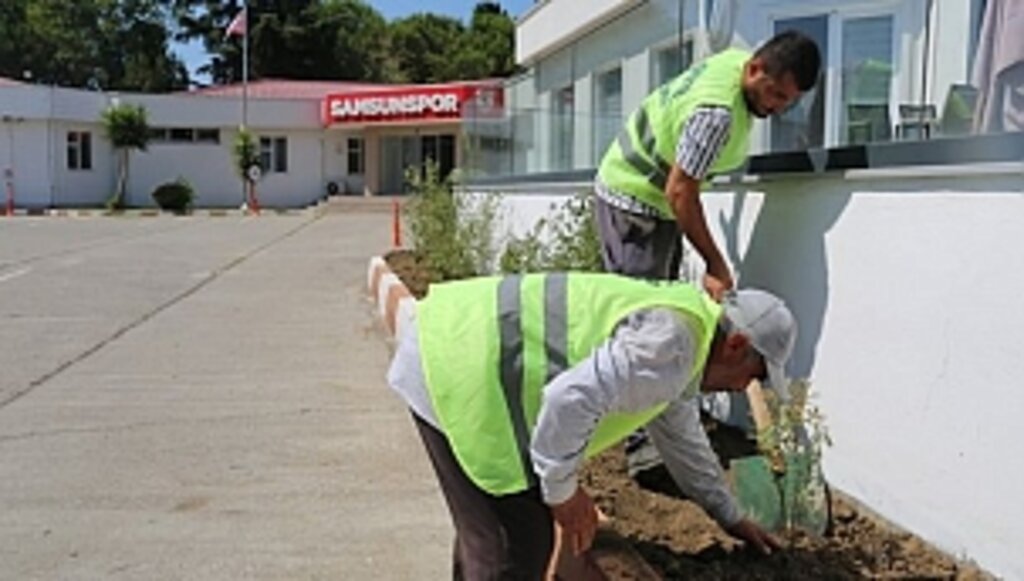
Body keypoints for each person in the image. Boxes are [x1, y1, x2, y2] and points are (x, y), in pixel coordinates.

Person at [387, 272, 798, 579]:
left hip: (459, 351)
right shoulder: (672, 346)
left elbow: (682, 439)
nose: (747, 387)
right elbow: (568, 400)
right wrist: (564, 493)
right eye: (755, 375)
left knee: (493, 538)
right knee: (513, 548)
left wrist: (729, 516)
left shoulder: (686, 343)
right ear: (737, 345)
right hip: (458, 366)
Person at [593, 30, 821, 295]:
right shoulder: (716, 116)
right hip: (632, 198)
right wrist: (715, 264)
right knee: (641, 312)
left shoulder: (735, 61)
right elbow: (680, 192)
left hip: (650, 190)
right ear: (755, 69)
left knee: (662, 300)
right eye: (778, 95)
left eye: (791, 102)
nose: (780, 108)